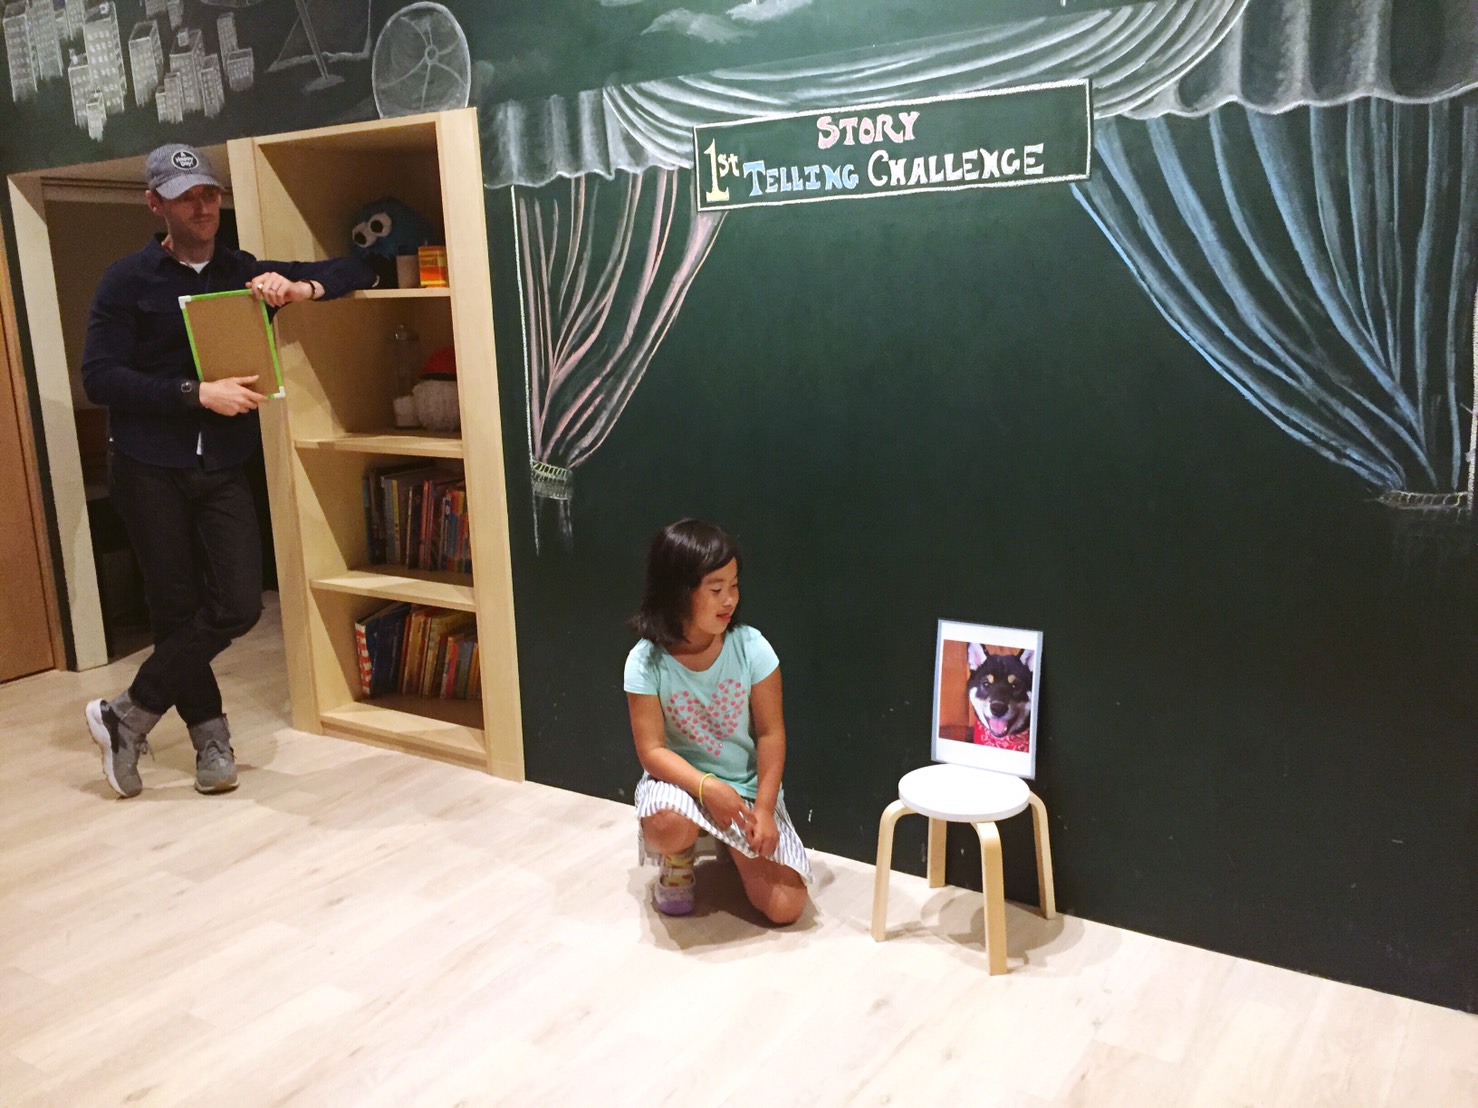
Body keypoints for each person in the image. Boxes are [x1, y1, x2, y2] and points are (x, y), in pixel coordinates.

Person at [81, 142, 377, 798]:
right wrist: (195, 394)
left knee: (240, 603)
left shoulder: (244, 272)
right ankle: (210, 738)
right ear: (154, 203)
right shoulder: (125, 281)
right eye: (185, 196)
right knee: (174, 606)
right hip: (147, 465)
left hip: (221, 464)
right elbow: (100, 377)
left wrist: (297, 289)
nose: (202, 206)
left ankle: (128, 714)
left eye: (209, 193)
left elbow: (357, 267)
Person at [624, 519, 811, 923]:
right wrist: (707, 787)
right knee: (668, 825)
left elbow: (771, 734)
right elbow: (651, 750)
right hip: (681, 785)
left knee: (786, 907)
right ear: (677, 591)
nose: (729, 600)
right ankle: (678, 859)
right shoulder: (645, 661)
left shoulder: (752, 647)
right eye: (715, 589)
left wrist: (764, 810)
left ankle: (729, 844)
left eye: (734, 586)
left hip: (745, 791)